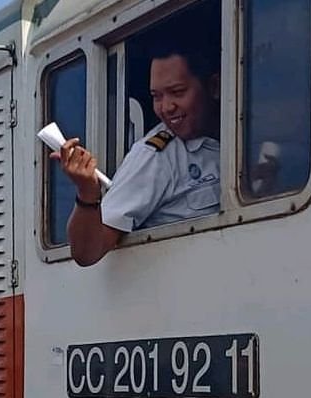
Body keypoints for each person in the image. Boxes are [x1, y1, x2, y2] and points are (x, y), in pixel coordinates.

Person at [53, 43, 221, 265]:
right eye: (156, 96)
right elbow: (87, 252)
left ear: (214, 87)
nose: (166, 107)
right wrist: (87, 192)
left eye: (177, 92)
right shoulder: (154, 157)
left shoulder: (238, 132)